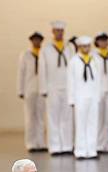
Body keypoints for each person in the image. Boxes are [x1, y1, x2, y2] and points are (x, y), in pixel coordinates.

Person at [39, 20, 74, 155]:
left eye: (61, 31)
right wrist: (43, 89)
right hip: (52, 86)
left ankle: (66, 145)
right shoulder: (46, 49)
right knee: (53, 117)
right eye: (57, 30)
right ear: (52, 32)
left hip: (67, 86)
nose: (59, 33)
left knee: (67, 117)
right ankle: (54, 146)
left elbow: (73, 69)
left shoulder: (69, 47)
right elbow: (42, 69)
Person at [67, 36, 101, 159]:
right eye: (83, 46)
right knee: (81, 124)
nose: (86, 48)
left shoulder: (95, 60)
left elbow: (98, 80)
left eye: (88, 46)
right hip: (79, 96)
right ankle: (80, 150)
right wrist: (71, 99)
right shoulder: (74, 61)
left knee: (93, 123)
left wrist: (98, 96)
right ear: (79, 47)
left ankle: (92, 150)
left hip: (92, 95)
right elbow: (70, 81)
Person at [17, 32, 46, 152]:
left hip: (42, 89)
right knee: (30, 117)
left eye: (39, 40)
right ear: (31, 41)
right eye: (34, 40)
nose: (36, 42)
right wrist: (20, 89)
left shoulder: (43, 54)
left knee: (40, 117)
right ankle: (31, 143)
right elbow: (21, 73)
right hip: (29, 89)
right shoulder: (25, 55)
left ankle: (41, 142)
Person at [94, 32, 108, 153]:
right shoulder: (94, 55)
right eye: (101, 40)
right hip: (99, 90)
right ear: (97, 42)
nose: (104, 42)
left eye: (105, 40)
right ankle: (99, 143)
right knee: (99, 118)